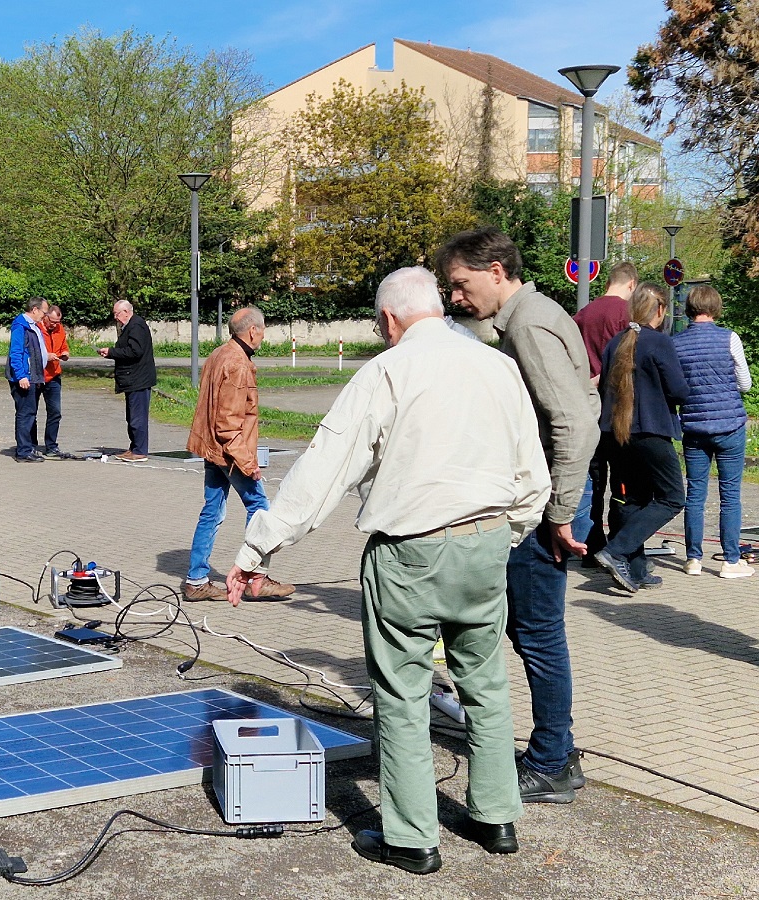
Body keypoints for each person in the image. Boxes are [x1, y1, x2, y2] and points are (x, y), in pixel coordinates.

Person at [226, 267, 550, 874]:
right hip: (486, 543)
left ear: (389, 320)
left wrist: (257, 549)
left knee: (403, 692)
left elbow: (326, 469)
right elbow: (532, 470)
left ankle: (411, 836)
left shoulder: (387, 370)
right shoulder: (497, 365)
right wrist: (507, 534)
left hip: (410, 550)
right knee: (486, 682)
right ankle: (496, 816)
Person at [437, 227, 599, 804]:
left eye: (460, 285)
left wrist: (558, 512)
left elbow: (576, 423)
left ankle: (553, 761)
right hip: (542, 505)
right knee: (530, 630)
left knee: (537, 634)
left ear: (497, 270)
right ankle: (558, 753)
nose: (455, 297)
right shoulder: (535, 314)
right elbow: (586, 398)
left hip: (539, 512)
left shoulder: (527, 323)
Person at [183, 307, 295, 602]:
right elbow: (228, 424)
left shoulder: (220, 353)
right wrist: (248, 462)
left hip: (213, 450)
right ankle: (255, 577)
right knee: (259, 507)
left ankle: (196, 580)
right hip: (229, 453)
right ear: (252, 331)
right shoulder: (238, 365)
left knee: (212, 511)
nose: (264, 335)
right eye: (263, 329)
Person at [593, 283, 690, 591]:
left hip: (614, 433)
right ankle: (615, 550)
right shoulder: (659, 343)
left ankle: (634, 570)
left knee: (633, 498)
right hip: (650, 430)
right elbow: (678, 390)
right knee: (672, 497)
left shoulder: (615, 342)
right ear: (660, 310)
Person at [673, 285, 753, 578]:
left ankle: (693, 558)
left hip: (694, 426)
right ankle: (731, 561)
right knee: (730, 494)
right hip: (729, 425)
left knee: (695, 493)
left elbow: (676, 387)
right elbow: (745, 383)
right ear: (716, 308)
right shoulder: (729, 338)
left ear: (690, 308)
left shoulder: (676, 343)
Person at [573, 262, 638, 558]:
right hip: (618, 408)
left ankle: (591, 540)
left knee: (594, 481)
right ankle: (617, 547)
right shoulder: (626, 315)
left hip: (587, 406)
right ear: (632, 285)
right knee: (623, 481)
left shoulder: (584, 314)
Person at [97, 300, 156, 460]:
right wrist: (111, 352)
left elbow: (134, 351)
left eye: (117, 313)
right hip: (132, 379)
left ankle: (140, 451)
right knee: (132, 417)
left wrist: (112, 352)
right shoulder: (131, 326)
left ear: (126, 312)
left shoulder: (136, 326)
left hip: (138, 379)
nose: (115, 317)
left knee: (138, 417)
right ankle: (134, 447)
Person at [6, 296, 50, 463]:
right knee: (25, 414)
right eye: (44, 312)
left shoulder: (33, 326)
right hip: (25, 378)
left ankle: (29, 447)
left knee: (30, 414)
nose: (44, 316)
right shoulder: (20, 327)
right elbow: (16, 353)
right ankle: (23, 452)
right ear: (35, 310)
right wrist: (21, 375)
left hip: (34, 376)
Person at [33, 303, 70, 458]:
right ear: (45, 316)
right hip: (37, 375)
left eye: (58, 322)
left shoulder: (59, 328)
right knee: (31, 413)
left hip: (54, 375)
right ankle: (31, 446)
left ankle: (51, 446)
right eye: (53, 321)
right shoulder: (35, 328)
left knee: (55, 412)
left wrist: (65, 353)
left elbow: (63, 346)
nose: (55, 325)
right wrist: (45, 356)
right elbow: (31, 351)